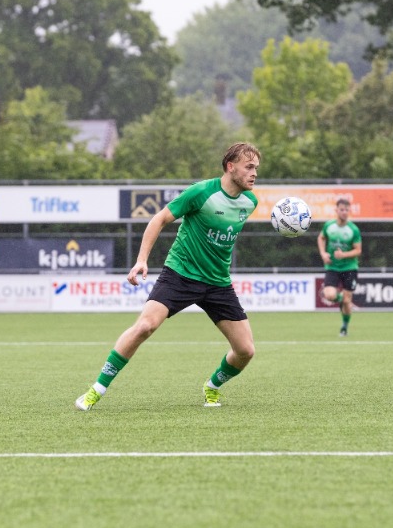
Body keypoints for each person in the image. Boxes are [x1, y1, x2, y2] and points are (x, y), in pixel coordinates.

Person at [74, 142, 261, 410]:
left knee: (245, 350)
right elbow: (159, 219)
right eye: (249, 167)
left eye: (256, 168)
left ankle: (212, 386)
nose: (254, 173)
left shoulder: (250, 202)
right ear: (230, 167)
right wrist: (141, 260)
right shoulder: (201, 192)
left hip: (218, 282)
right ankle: (96, 389)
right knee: (145, 326)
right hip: (180, 275)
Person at [317, 198, 362, 337]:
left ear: (349, 211)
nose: (344, 212)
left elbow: (358, 250)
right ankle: (341, 296)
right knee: (329, 295)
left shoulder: (353, 229)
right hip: (333, 267)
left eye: (347, 210)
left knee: (347, 302)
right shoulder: (329, 226)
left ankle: (344, 326)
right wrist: (323, 253)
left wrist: (343, 255)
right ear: (336, 211)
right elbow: (321, 238)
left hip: (349, 267)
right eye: (341, 209)